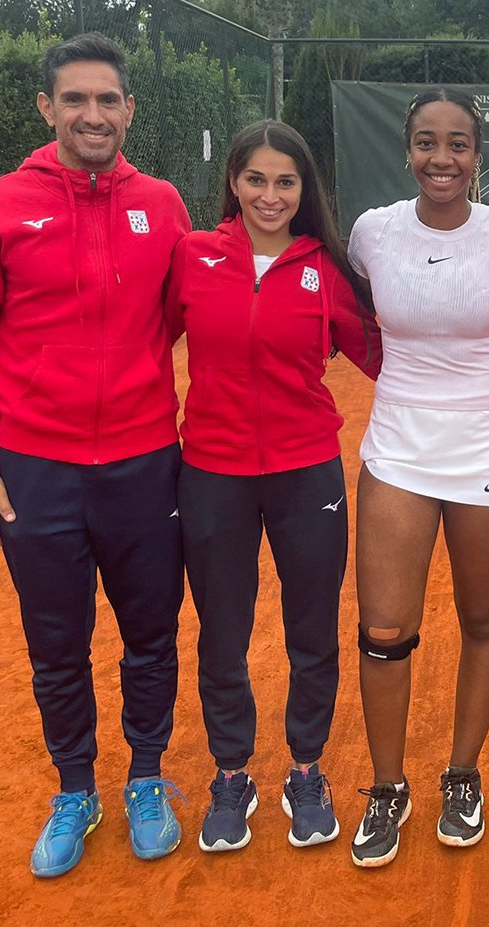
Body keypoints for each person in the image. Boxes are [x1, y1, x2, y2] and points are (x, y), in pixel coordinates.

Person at [0, 32, 192, 877]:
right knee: (57, 643)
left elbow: (188, 316)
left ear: (129, 110)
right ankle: (75, 788)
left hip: (147, 462)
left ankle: (147, 778)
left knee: (151, 635)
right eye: (74, 99)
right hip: (36, 473)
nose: (93, 114)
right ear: (46, 108)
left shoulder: (163, 202)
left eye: (108, 100)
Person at [163, 120, 381, 854]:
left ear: (303, 189)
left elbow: (386, 354)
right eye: (255, 179)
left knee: (311, 630)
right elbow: (141, 343)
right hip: (213, 475)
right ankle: (232, 775)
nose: (269, 194)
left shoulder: (327, 267)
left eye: (285, 182)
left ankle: (306, 771)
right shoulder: (193, 256)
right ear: (233, 182)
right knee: (222, 631)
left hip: (305, 470)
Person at [343, 88, 489, 868]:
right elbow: (360, 314)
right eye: (427, 142)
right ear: (407, 150)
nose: (442, 158)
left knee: (484, 617)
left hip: (487, 444)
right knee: (385, 630)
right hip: (398, 444)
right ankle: (388, 788)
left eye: (458, 143)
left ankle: (462, 775)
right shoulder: (371, 234)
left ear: (478, 154)